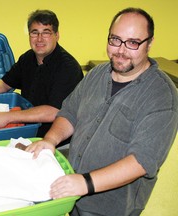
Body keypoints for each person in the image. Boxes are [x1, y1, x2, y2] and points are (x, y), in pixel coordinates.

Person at [26, 7, 178, 216]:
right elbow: (70, 112)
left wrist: (86, 183)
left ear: (149, 44)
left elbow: (142, 161)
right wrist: (50, 140)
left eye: (133, 42)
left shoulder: (161, 95)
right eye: (115, 39)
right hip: (73, 188)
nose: (121, 50)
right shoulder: (97, 74)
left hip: (111, 207)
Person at [0, 10, 83, 145]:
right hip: (28, 133)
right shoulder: (27, 58)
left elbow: (54, 111)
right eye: (34, 32)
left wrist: (8, 117)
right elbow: (6, 83)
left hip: (58, 142)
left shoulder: (68, 67)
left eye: (46, 32)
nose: (39, 39)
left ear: (57, 35)